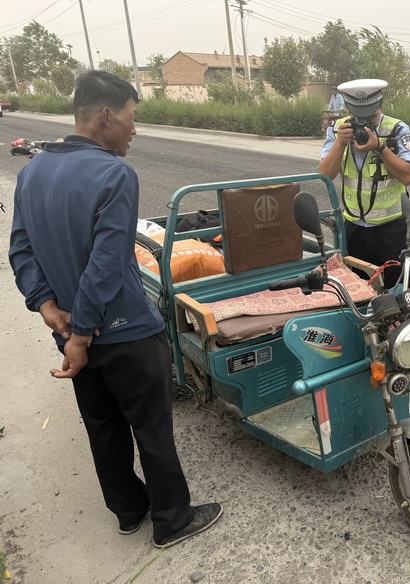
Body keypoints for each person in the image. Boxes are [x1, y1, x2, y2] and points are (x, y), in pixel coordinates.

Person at [8, 70, 223, 547]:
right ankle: (173, 521)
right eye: (131, 117)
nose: (134, 128)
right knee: (152, 428)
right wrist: (83, 333)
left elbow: (20, 249)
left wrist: (47, 306)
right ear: (106, 116)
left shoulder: (32, 173)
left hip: (69, 330)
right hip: (124, 332)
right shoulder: (114, 174)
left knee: (103, 426)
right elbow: (106, 263)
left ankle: (128, 510)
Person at [319, 78, 410, 286]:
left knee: (395, 290)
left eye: (370, 116)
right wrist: (340, 143)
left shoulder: (396, 129)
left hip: (390, 228)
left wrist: (380, 147)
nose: (364, 123)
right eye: (357, 117)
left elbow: (408, 176)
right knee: (357, 291)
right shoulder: (337, 129)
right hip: (353, 227)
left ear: (379, 105)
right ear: (348, 109)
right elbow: (325, 175)